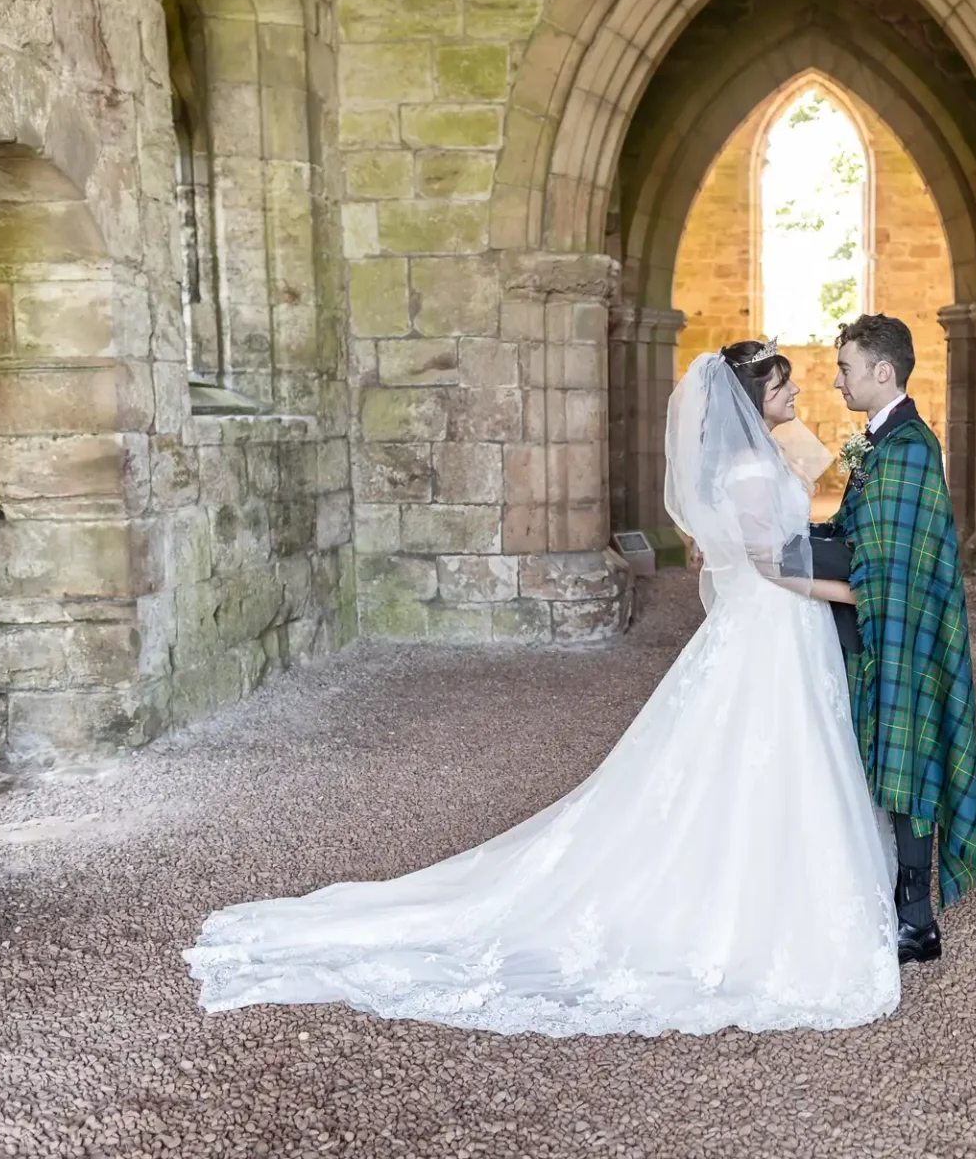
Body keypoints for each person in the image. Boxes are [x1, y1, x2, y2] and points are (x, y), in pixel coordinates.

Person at [183, 341, 900, 1036]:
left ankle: (774, 887)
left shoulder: (761, 456)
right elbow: (773, 563)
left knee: (774, 756)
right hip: (773, 625)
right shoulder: (747, 469)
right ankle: (743, 900)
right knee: (757, 752)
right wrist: (853, 592)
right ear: (755, 401)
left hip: (779, 631)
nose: (796, 392)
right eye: (783, 387)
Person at [813, 313, 976, 964]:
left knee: (909, 753)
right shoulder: (873, 440)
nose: (837, 381)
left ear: (883, 372)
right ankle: (884, 898)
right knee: (881, 748)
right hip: (876, 621)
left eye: (846, 369)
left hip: (906, 624)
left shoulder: (912, 447)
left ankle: (917, 922)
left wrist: (783, 559)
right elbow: (848, 528)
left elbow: (884, 559)